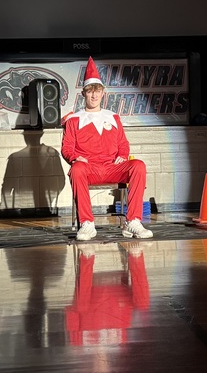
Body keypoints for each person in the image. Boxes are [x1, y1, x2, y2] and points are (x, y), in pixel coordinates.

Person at [62, 57, 153, 241]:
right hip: (89, 168)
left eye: (97, 91)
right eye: (90, 92)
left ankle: (133, 221)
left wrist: (122, 155)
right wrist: (74, 158)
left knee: (138, 165)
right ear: (84, 94)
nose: (94, 96)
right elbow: (67, 147)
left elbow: (123, 143)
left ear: (103, 93)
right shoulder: (74, 120)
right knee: (76, 169)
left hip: (112, 167)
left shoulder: (113, 117)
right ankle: (87, 224)